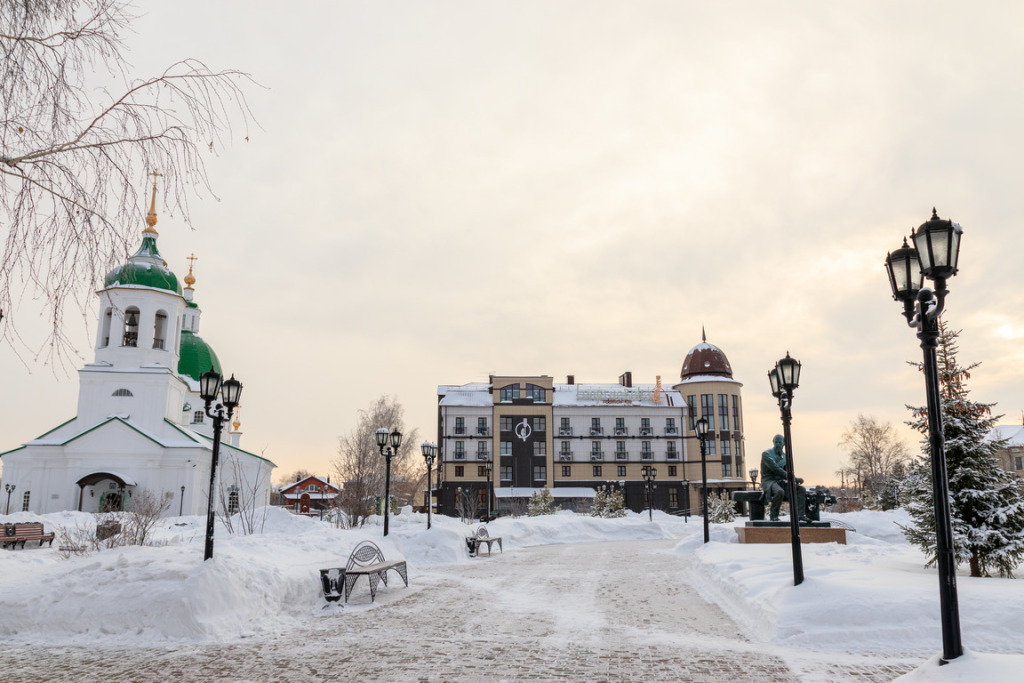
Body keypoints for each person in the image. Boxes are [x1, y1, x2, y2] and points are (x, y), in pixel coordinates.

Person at [761, 434, 807, 522]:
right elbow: (775, 469)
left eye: (780, 442)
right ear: (773, 442)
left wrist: (794, 479)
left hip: (780, 480)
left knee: (801, 489)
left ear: (783, 444)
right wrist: (793, 478)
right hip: (769, 480)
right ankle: (774, 516)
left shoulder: (785, 456)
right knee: (779, 491)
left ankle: (800, 515)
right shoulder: (766, 454)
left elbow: (787, 471)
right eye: (776, 442)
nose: (777, 444)